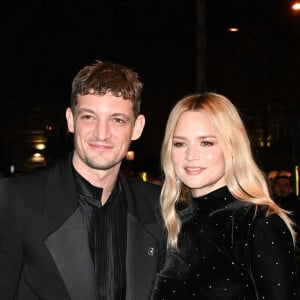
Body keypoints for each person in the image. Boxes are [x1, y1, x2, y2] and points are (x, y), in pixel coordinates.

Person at [0, 60, 166, 300]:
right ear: (71, 120)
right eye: (89, 117)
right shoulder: (16, 201)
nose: (101, 133)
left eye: (117, 120)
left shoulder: (157, 207)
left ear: (137, 127)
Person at [151, 92, 300, 299]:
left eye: (206, 143)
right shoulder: (170, 221)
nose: (191, 155)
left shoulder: (258, 223)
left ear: (232, 148)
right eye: (180, 143)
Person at [273, 175, 300, 246]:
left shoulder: (296, 204)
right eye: (279, 185)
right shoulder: (270, 203)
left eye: (286, 185)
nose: (282, 188)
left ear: (291, 188)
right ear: (274, 187)